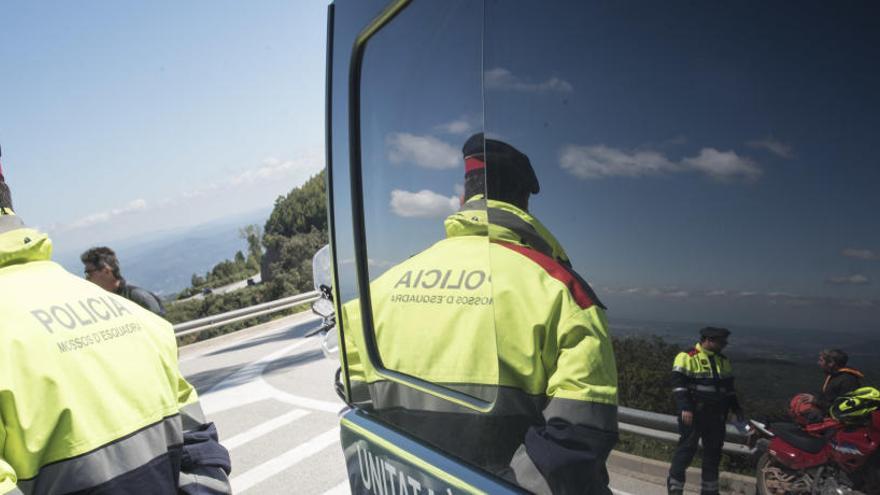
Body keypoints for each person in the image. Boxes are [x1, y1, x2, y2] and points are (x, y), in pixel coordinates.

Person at [341, 133, 619, 494]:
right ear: (523, 201)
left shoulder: (377, 292)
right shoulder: (565, 294)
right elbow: (578, 437)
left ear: (464, 196)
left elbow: (359, 409)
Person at [0, 175, 231, 494]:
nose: (89, 275)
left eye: (92, 270)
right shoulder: (137, 319)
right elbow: (195, 441)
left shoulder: (140, 303)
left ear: (107, 271)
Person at [668, 327, 743, 495]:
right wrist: (685, 407)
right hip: (694, 414)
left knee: (713, 456)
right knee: (686, 452)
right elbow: (678, 385)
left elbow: (729, 390)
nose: (724, 345)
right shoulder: (687, 356)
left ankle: (710, 492)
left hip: (716, 417)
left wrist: (736, 409)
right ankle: (675, 489)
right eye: (721, 342)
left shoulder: (723, 360)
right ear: (708, 340)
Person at [81, 246, 167, 316]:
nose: (87, 277)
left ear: (106, 271)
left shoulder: (138, 297)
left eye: (88, 272)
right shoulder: (101, 300)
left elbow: (161, 327)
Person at [815, 348, 863, 412]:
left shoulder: (848, 380)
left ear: (831, 363)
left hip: (839, 418)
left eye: (821, 361)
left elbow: (844, 408)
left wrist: (816, 401)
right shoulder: (835, 376)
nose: (818, 363)